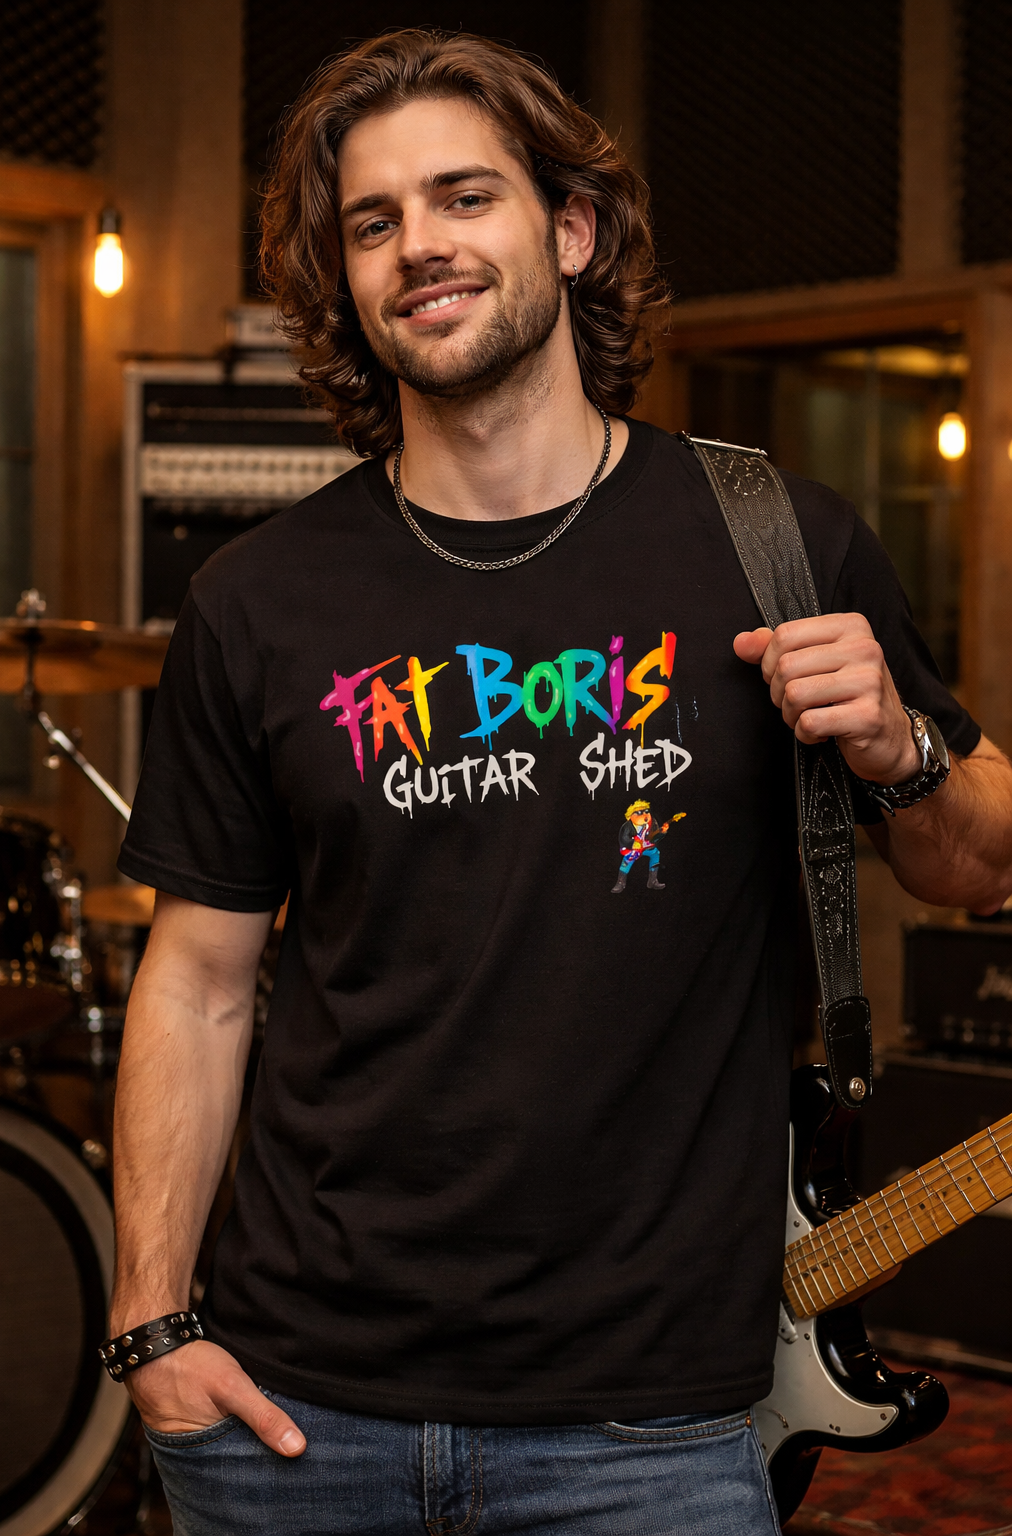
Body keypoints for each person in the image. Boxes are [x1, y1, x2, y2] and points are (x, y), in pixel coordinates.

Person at [108, 29, 1012, 1536]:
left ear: (570, 230)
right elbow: (196, 985)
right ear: (344, 275)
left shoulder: (773, 536)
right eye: (374, 221)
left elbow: (979, 864)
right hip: (292, 1415)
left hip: (651, 1432)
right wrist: (151, 1328)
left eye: (464, 197)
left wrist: (900, 747)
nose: (421, 248)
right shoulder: (257, 602)